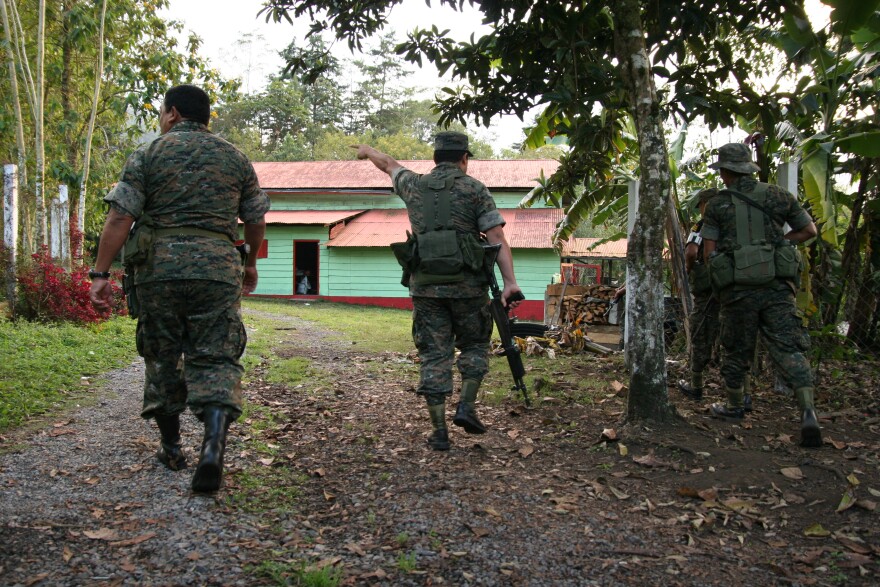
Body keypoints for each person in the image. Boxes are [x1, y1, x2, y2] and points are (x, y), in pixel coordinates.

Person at [89, 84, 270, 491]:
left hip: (159, 270)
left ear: (171, 114)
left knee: (162, 354)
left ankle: (171, 446)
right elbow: (255, 218)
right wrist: (250, 262)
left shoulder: (149, 153)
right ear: (204, 117)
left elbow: (120, 218)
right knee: (217, 354)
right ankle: (213, 445)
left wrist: (100, 274)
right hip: (218, 269)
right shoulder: (235, 157)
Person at [351, 132, 522, 451]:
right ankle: (467, 406)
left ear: (434, 159)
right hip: (469, 287)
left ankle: (440, 432)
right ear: (464, 159)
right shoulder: (474, 189)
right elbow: (495, 234)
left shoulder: (413, 185)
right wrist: (510, 281)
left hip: (426, 287)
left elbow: (388, 165)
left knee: (433, 353)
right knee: (474, 343)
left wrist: (367, 150)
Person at [701, 142, 821, 447]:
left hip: (738, 291)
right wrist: (778, 245)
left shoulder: (717, 204)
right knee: (788, 347)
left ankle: (734, 405)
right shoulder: (779, 195)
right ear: (749, 169)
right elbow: (809, 231)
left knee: (736, 347)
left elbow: (709, 253)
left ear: (726, 172)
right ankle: (808, 411)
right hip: (777, 288)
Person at [678, 189, 722, 400]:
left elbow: (691, 251)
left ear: (706, 204)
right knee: (737, 338)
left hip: (708, 289)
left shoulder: (702, 226)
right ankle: (742, 394)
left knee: (701, 334)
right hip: (736, 287)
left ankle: (696, 384)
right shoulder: (735, 225)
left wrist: (689, 268)